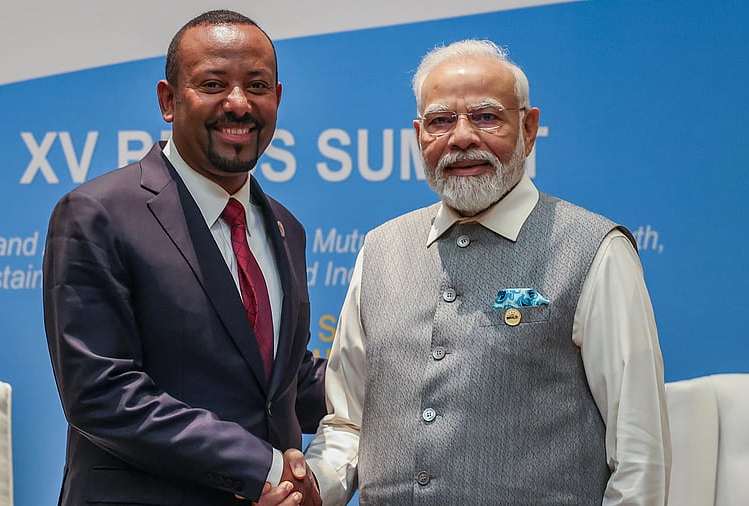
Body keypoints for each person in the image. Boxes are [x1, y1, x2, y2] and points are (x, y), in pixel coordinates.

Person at [304, 39, 671, 505]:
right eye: (440, 121)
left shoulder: (595, 249)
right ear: (419, 135)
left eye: (486, 117)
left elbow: (640, 455)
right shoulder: (380, 249)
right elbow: (348, 424)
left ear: (529, 129)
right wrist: (311, 488)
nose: (461, 137)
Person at [43, 10, 325, 506]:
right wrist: (262, 467)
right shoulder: (97, 214)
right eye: (213, 84)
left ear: (277, 99)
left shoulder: (286, 228)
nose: (238, 104)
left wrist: (400, 384)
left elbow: (282, 383)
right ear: (169, 101)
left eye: (257, 86)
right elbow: (102, 394)